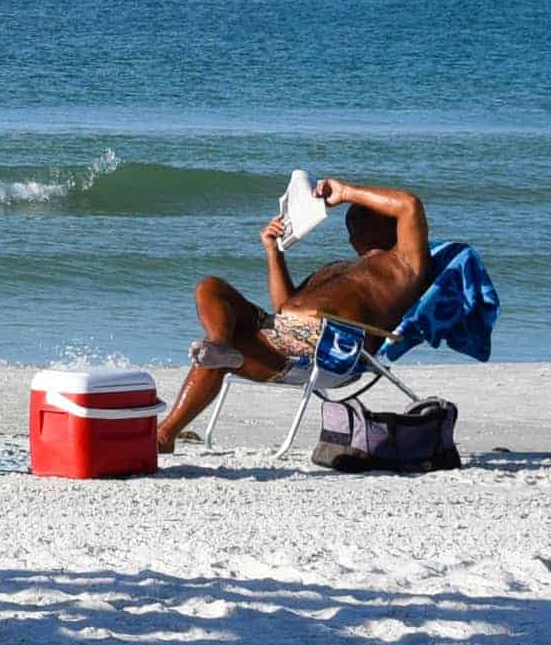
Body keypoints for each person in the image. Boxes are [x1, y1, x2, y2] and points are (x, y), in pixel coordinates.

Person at [158, 174, 430, 452]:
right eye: (351, 226)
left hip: (326, 348)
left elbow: (409, 204)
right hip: (278, 328)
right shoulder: (337, 267)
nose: (351, 232)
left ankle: (164, 436)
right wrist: (273, 250)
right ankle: (218, 343)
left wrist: (346, 192)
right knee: (211, 287)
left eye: (360, 221)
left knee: (228, 351)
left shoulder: (403, 265)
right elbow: (284, 305)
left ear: (387, 222)